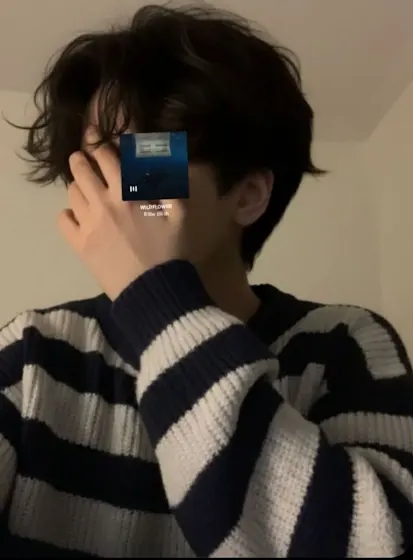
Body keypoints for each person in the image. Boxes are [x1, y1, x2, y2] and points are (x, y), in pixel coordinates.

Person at [1, 4, 412, 558]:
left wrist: (154, 295)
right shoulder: (32, 355)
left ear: (248, 195)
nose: (113, 197)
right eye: (96, 168)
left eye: (144, 160)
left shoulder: (344, 344)